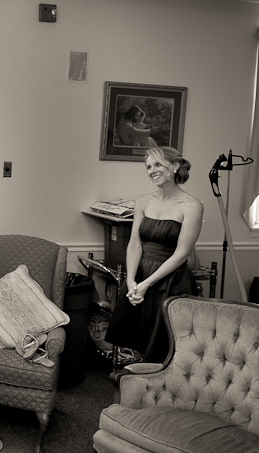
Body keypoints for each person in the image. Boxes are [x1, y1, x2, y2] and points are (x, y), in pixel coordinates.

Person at [104, 147, 203, 363]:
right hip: (139, 275)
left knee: (166, 348)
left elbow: (181, 254)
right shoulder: (143, 201)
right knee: (137, 339)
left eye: (158, 164)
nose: (152, 170)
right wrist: (131, 281)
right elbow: (134, 244)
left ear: (175, 166)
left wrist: (147, 283)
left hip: (170, 280)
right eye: (148, 166)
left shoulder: (192, 206)